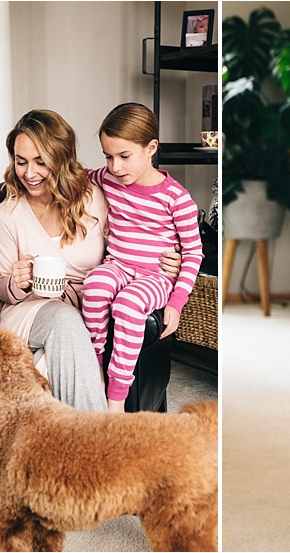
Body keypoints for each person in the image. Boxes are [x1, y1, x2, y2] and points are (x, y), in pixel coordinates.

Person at [0, 108, 183, 521]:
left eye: (41, 161)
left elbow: (140, 235)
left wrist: (166, 261)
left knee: (50, 362)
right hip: (28, 312)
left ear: (61, 159)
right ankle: (102, 459)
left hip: (87, 309)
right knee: (62, 324)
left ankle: (7, 467)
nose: (30, 172)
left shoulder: (95, 198)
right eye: (20, 160)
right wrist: (19, 280)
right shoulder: (6, 213)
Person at [81, 102, 203, 413]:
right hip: (118, 266)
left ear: (150, 148)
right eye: (108, 156)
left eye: (124, 156)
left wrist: (176, 302)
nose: (115, 167)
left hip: (155, 277)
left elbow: (193, 252)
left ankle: (116, 398)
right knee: (94, 284)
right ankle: (93, 367)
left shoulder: (177, 199)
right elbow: (78, 174)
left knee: (128, 304)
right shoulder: (108, 179)